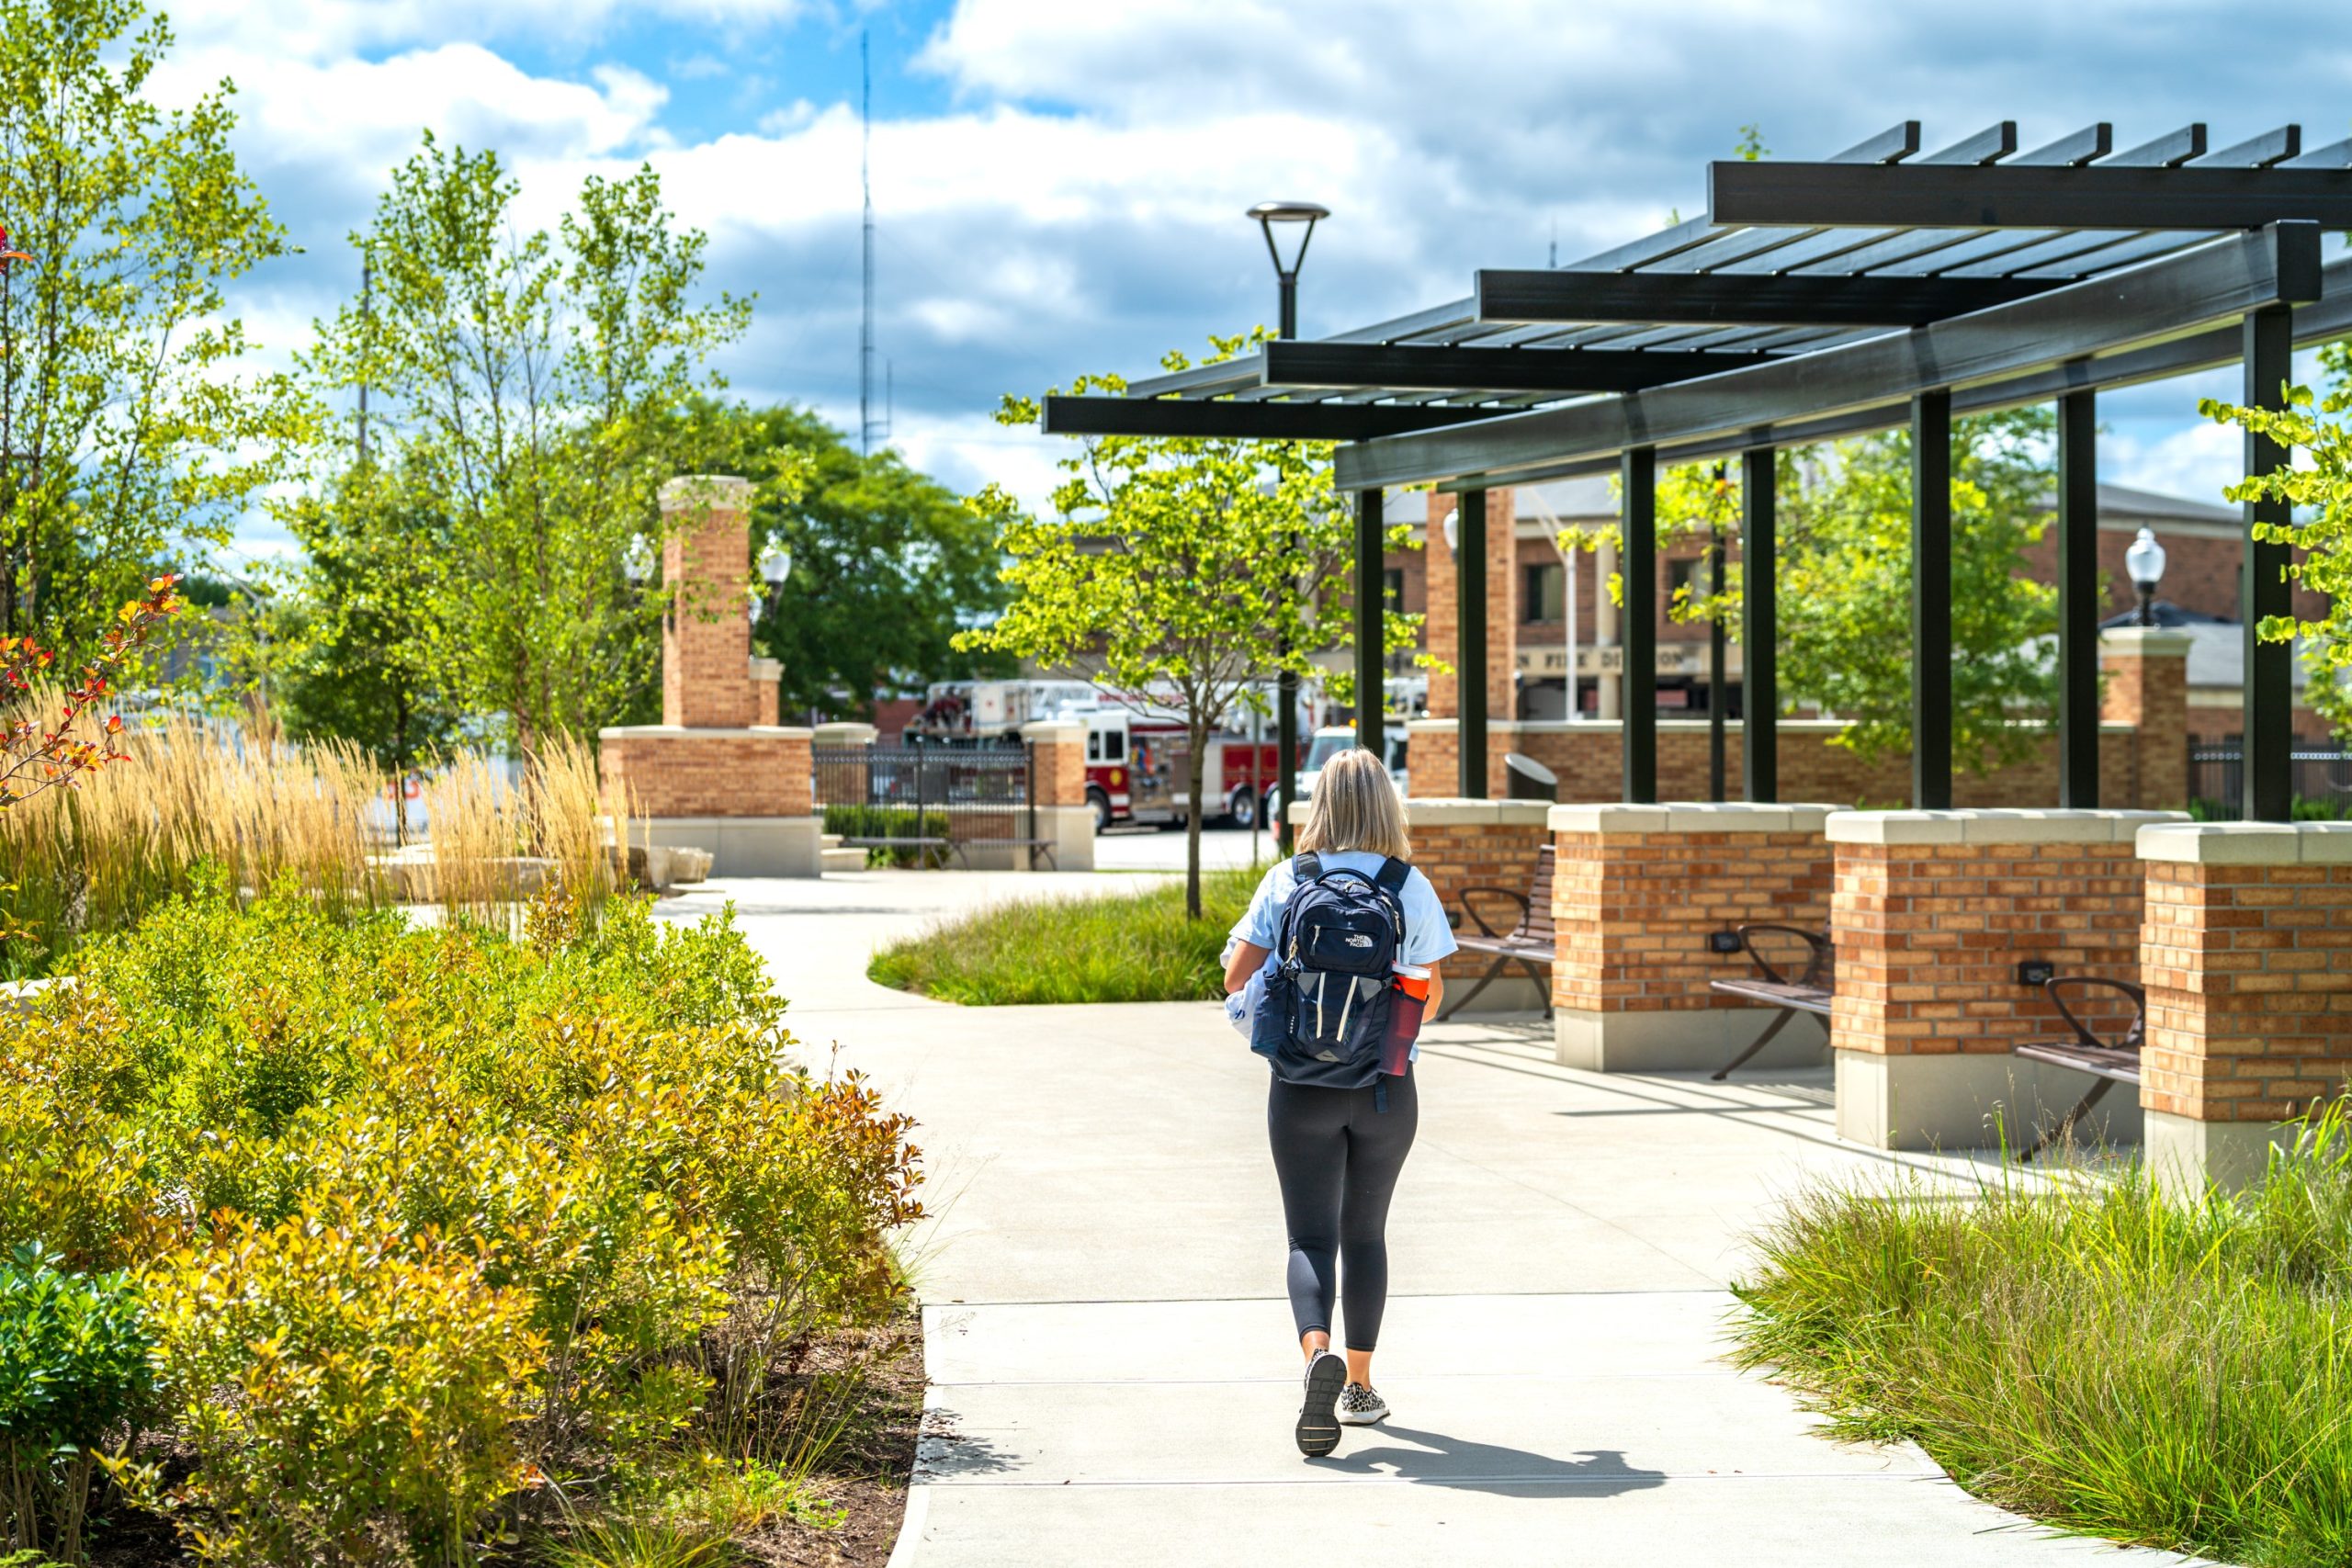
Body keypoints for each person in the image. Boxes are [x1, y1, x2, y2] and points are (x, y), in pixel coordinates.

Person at [1222, 747, 1455, 1456]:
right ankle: (1358, 1384)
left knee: (1309, 1237)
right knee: (1366, 1234)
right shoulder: (1407, 885)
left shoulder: (1287, 881)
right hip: (1385, 1088)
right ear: (1388, 806)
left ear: (1318, 804)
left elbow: (1234, 976)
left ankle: (1314, 1353)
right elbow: (1432, 995)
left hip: (1301, 1088)